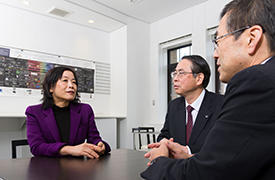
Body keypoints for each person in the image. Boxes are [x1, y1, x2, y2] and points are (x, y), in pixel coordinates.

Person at [141, 0, 275, 179]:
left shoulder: (255, 82)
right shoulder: (174, 106)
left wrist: (158, 162)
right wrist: (188, 155)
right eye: (175, 73)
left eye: (218, 40)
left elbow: (207, 173)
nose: (215, 54)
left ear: (252, 38)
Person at [26, 66, 111, 158]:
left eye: (74, 82)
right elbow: (36, 147)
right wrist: (70, 149)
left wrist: (100, 145)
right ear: (51, 87)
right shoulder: (34, 112)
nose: (71, 85)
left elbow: (94, 138)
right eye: (65, 81)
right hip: (48, 168)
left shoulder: (85, 110)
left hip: (78, 168)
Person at [156, 55, 223, 154]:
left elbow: (222, 145)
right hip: (178, 166)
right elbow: (164, 135)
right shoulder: (174, 106)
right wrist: (165, 144)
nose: (175, 79)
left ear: (199, 78)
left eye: (181, 73)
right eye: (175, 73)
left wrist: (186, 152)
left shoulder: (221, 104)